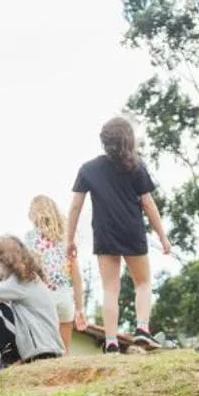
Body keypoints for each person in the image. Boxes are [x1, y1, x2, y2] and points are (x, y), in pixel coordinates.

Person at [69, 117, 172, 354]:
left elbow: (75, 207)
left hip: (105, 233)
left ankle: (111, 341)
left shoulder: (88, 169)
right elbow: (148, 204)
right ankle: (142, 329)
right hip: (132, 230)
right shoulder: (135, 166)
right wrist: (163, 237)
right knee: (143, 283)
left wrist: (69, 240)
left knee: (110, 289)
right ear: (129, 140)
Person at [0, 237, 63, 374]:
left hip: (42, 351)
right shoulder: (30, 279)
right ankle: (1, 357)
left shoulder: (20, 282)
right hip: (47, 347)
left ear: (7, 260)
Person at [27, 195, 85, 353]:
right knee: (63, 352)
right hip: (65, 298)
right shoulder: (66, 240)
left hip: (43, 296)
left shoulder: (31, 238)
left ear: (34, 214)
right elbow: (77, 276)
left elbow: (27, 271)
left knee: (41, 351)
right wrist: (80, 308)